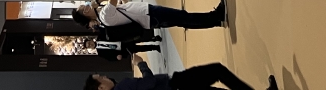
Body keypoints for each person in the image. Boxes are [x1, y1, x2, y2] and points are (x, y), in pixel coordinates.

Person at [72, 0, 227, 34]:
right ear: (85, 13)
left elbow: (125, 7)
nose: (87, 6)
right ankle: (216, 16)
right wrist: (97, 0)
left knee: (182, 20)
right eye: (84, 8)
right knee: (183, 17)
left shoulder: (104, 14)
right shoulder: (104, 15)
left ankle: (215, 21)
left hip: (147, 15)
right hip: (149, 16)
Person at [84, 56, 278, 90]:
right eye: (101, 78)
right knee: (217, 70)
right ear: (101, 88)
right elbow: (149, 83)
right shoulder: (123, 87)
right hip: (176, 85)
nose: (105, 77)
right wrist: (141, 64)